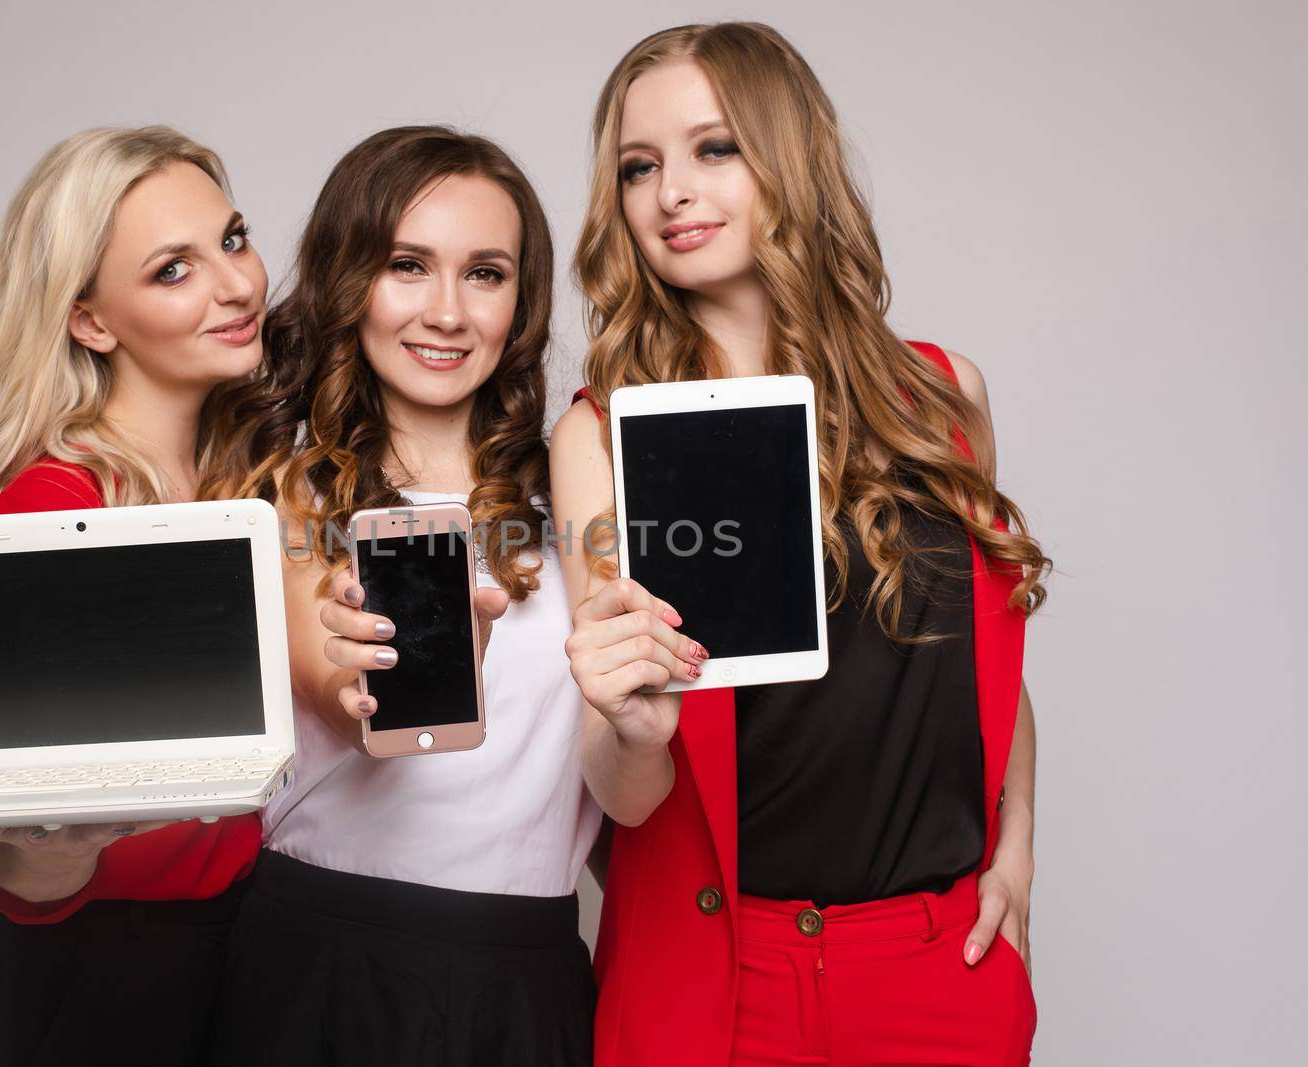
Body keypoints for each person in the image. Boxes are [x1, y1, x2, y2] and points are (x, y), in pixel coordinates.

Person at [551, 23, 1050, 1066]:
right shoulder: (603, 432)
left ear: (790, 155)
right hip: (723, 973)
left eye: (712, 148)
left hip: (934, 969)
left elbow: (989, 674)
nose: (668, 192)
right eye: (637, 167)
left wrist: (1015, 855)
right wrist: (628, 722)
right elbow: (630, 788)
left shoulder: (939, 395)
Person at [199, 126, 601, 1067]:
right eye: (408, 265)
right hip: (325, 954)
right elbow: (347, 702)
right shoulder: (287, 489)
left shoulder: (578, 492)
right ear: (352, 282)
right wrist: (414, 653)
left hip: (528, 965)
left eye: (487, 273)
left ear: (522, 301)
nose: (448, 312)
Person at [0, 125, 271, 1067]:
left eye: (233, 240)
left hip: (233, 965)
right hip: (87, 988)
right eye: (173, 270)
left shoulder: (246, 474)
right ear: (90, 320)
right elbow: (10, 863)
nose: (236, 285)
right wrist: (52, 847)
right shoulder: (54, 504)